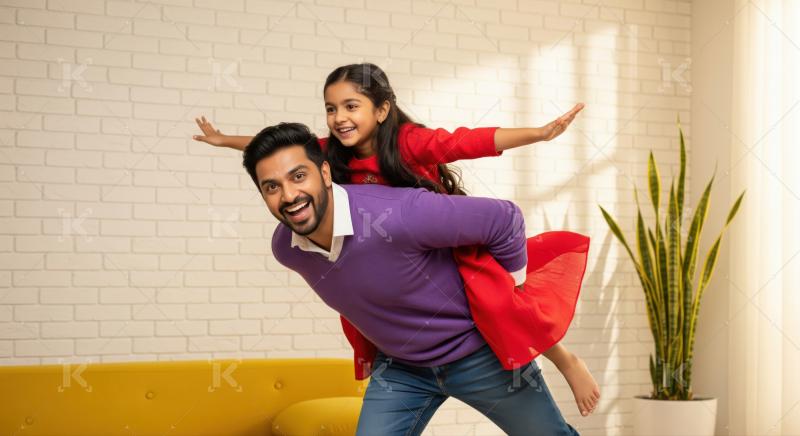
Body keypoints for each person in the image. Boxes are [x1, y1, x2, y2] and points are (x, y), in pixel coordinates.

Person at [194, 63, 600, 416]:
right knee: (364, 308)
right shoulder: (331, 153)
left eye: (351, 106)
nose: (339, 118)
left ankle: (566, 360)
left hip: (448, 244)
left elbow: (468, 141)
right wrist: (225, 140)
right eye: (331, 109)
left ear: (382, 109)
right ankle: (394, 364)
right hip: (393, 256)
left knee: (504, 307)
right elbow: (281, 154)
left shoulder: (408, 141)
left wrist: (539, 134)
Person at [245, 121, 580, 435]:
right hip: (401, 369)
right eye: (271, 187)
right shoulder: (287, 249)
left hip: (479, 355)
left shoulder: (398, 215)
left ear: (325, 172)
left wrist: (512, 293)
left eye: (298, 176)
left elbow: (503, 218)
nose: (288, 196)